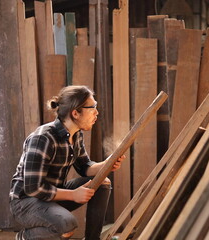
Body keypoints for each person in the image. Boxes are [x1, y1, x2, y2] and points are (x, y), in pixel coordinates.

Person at [9, 85, 125, 240]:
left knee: (102, 183)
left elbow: (85, 167)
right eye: (92, 107)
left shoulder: (76, 135)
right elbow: (33, 188)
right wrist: (73, 195)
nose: (97, 112)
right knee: (66, 226)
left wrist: (107, 163)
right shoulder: (43, 138)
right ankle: (26, 237)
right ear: (75, 113)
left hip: (53, 195)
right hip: (26, 202)